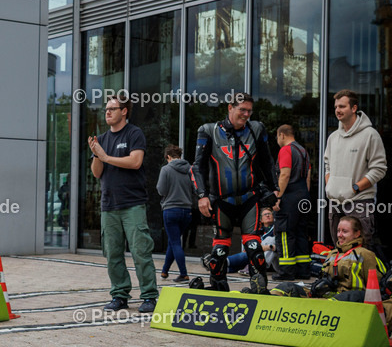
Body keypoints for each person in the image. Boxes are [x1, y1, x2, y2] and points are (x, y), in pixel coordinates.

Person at [190, 92, 276, 294]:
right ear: (230, 108)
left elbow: (267, 161)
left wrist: (275, 190)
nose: (246, 114)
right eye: (242, 110)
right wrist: (202, 195)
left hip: (249, 198)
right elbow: (197, 167)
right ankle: (219, 288)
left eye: (249, 111)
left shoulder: (256, 129)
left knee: (254, 246)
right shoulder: (208, 131)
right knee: (219, 250)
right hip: (221, 200)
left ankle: (260, 291)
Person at [89, 95, 158, 312]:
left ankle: (149, 296)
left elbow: (135, 162)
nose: (107, 112)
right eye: (106, 109)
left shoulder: (134, 133)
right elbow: (96, 173)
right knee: (112, 254)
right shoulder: (101, 139)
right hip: (109, 206)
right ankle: (119, 295)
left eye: (112, 108)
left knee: (140, 252)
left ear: (124, 111)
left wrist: (106, 156)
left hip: (133, 204)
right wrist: (97, 155)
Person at [323, 89, 387, 250]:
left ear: (353, 108)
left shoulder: (370, 135)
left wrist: (355, 188)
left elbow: (379, 169)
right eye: (336, 106)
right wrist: (330, 185)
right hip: (335, 202)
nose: (338, 110)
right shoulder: (333, 138)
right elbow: (327, 165)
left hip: (360, 201)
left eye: (342, 106)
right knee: (340, 249)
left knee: (362, 250)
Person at [304, 215, 386, 300]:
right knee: (290, 289)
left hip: (351, 303)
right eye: (338, 231)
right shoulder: (332, 254)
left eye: (344, 231)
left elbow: (379, 287)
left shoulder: (365, 254)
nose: (339, 235)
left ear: (357, 234)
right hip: (328, 299)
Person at [273, 124, 313, 280]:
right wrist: (304, 196)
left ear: (282, 135)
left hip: (289, 196)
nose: (277, 140)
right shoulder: (303, 151)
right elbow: (308, 176)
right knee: (301, 232)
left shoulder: (286, 150)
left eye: (277, 137)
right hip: (303, 194)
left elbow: (284, 175)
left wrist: (277, 197)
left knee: (284, 233)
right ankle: (303, 270)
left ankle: (286, 271)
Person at [156, 144, 193, 282]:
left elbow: (161, 190)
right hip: (187, 211)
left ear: (168, 157)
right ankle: (165, 271)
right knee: (174, 241)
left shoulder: (166, 169)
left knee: (175, 242)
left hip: (171, 210)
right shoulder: (190, 169)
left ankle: (184, 274)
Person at [228, 208, 277, 274]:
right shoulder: (259, 230)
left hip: (270, 261)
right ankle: (221, 266)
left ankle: (221, 260)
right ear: (261, 220)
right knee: (248, 240)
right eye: (265, 214)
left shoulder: (276, 228)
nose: (267, 216)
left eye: (269, 214)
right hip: (254, 255)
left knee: (269, 240)